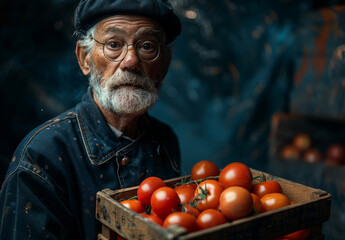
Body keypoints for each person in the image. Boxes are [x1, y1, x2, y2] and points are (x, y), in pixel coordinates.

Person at [0, 0, 182, 239]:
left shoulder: (165, 140)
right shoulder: (40, 159)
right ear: (85, 58)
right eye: (114, 44)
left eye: (147, 46)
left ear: (165, 63)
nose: (130, 61)